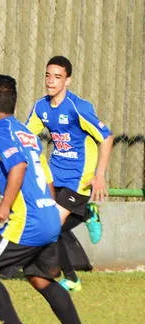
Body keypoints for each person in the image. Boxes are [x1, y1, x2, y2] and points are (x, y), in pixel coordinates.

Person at [0, 74, 97, 324]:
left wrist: (4, 205)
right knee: (40, 278)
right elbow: (47, 178)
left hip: (28, 220)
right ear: (13, 103)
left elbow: (18, 166)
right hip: (48, 215)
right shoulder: (27, 133)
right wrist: (48, 210)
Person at [26, 56, 113, 292]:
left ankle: (70, 277)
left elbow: (106, 137)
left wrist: (100, 175)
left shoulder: (78, 107)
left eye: (57, 77)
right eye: (48, 75)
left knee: (52, 224)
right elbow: (27, 137)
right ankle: (85, 215)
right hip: (55, 173)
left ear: (68, 81)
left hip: (79, 174)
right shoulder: (41, 107)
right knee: (50, 224)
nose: (51, 81)